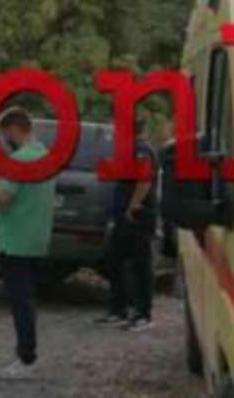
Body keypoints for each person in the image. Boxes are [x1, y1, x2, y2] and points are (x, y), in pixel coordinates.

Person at [0, 107, 56, 381]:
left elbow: (3, 199)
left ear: (15, 129)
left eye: (6, 134)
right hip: (37, 238)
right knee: (28, 298)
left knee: (20, 301)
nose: (6, 140)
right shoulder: (46, 157)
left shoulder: (18, 160)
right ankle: (26, 353)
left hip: (15, 239)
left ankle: (26, 358)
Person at [94, 125, 157, 332]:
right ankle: (118, 310)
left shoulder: (141, 150)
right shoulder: (127, 151)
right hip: (122, 216)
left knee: (140, 265)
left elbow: (144, 179)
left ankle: (143, 314)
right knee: (113, 260)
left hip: (137, 215)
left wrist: (134, 204)